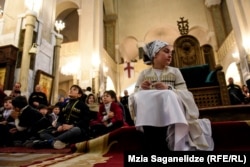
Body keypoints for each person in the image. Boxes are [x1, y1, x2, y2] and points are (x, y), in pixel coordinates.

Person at [129, 40, 214, 152]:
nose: (170, 55)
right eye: (166, 51)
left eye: (171, 52)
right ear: (155, 54)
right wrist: (141, 89)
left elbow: (185, 93)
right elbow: (134, 96)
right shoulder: (144, 74)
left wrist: (169, 88)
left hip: (170, 114)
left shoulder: (175, 72)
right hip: (151, 115)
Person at [33, 85, 90, 149]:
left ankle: (49, 142)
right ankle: (56, 142)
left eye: (74, 89)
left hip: (75, 130)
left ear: (79, 95)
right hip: (63, 130)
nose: (71, 90)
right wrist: (59, 126)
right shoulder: (65, 105)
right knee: (43, 133)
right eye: (70, 89)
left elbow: (85, 121)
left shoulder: (83, 106)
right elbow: (60, 119)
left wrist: (71, 126)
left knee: (76, 130)